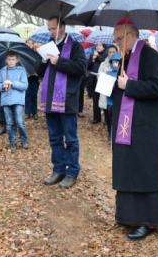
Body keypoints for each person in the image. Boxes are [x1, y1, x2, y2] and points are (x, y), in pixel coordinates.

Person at [112, 19, 158, 241]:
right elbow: (121, 85)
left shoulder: (149, 55)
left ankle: (148, 220)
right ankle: (128, 215)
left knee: (144, 168)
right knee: (128, 166)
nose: (117, 43)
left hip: (144, 125)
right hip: (126, 124)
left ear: (132, 35)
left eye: (120, 38)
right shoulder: (124, 57)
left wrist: (130, 86)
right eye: (115, 39)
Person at [36, 16, 86, 189]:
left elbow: (81, 68)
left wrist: (60, 61)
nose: (51, 32)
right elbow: (39, 71)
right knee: (55, 138)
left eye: (54, 28)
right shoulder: (48, 46)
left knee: (70, 139)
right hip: (50, 98)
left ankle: (72, 171)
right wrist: (43, 59)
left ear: (63, 27)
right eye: (49, 29)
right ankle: (58, 169)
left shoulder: (75, 46)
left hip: (68, 99)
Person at [0, 51, 29, 151]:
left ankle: (24, 140)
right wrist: (3, 86)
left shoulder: (22, 70)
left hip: (18, 99)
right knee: (9, 123)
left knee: (19, 121)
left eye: (13, 59)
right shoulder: (2, 71)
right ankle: (12, 142)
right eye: (9, 59)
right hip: (6, 100)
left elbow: (25, 86)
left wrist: (12, 83)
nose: (11, 61)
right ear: (6, 60)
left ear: (17, 60)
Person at [98, 45, 118, 140]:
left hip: (116, 92)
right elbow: (99, 76)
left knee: (115, 112)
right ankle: (109, 132)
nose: (111, 54)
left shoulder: (120, 62)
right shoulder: (103, 64)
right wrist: (106, 74)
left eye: (113, 52)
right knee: (107, 113)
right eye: (109, 52)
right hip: (106, 91)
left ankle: (116, 132)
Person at [88, 43, 107, 124]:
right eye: (97, 45)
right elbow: (88, 66)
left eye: (100, 45)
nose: (98, 47)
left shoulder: (106, 53)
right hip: (94, 79)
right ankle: (96, 117)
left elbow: (103, 60)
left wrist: (97, 57)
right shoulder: (93, 54)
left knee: (104, 99)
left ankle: (107, 119)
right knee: (95, 99)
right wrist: (92, 60)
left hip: (102, 80)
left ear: (104, 47)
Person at [25, 39, 40, 120]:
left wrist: (40, 76)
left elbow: (40, 64)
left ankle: (34, 112)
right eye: (28, 43)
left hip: (35, 77)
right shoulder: (24, 54)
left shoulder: (37, 53)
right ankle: (27, 112)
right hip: (26, 77)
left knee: (34, 95)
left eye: (31, 43)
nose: (30, 45)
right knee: (27, 95)